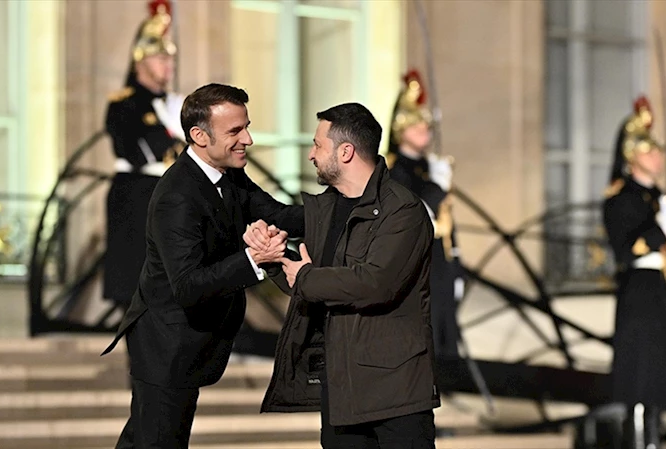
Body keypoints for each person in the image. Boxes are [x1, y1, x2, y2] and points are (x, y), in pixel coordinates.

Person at [102, 83, 305, 449]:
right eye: (235, 131)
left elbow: (280, 214)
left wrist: (349, 204)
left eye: (246, 127)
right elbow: (188, 285)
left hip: (189, 343)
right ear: (199, 136)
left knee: (144, 441)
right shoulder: (177, 196)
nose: (248, 140)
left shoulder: (229, 174)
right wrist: (254, 259)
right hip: (165, 345)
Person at [257, 103, 439, 448]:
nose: (311, 155)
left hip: (396, 396)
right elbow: (315, 282)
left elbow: (374, 284)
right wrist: (273, 259)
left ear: (345, 151)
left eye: (317, 145)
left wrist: (305, 277)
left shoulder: (403, 210)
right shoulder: (326, 208)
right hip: (341, 393)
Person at [602, 96, 666, 449]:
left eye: (658, 151)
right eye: (650, 152)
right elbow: (626, 249)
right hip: (641, 294)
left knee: (663, 375)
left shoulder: (659, 198)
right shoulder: (621, 199)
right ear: (632, 155)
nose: (658, 158)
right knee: (641, 377)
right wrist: (661, 229)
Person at [103, 0, 187, 310]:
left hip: (173, 194)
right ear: (141, 59)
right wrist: (172, 133)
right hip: (137, 195)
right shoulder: (125, 104)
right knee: (136, 286)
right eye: (161, 57)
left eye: (171, 58)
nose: (169, 65)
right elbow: (135, 152)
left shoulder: (175, 104)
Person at [385, 69, 464, 360]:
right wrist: (437, 186)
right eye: (416, 127)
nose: (424, 132)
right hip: (416, 265)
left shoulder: (430, 167)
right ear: (400, 131)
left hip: (440, 263)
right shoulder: (395, 171)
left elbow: (447, 221)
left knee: (446, 335)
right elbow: (415, 211)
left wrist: (456, 263)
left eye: (426, 127)